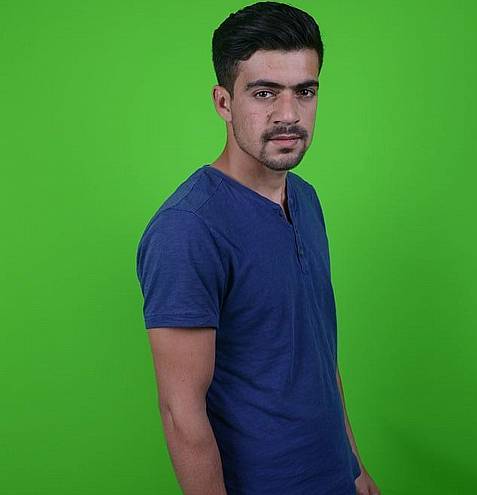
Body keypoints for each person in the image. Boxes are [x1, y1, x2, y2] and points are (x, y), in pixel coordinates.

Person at [136, 2, 381, 494]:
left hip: (335, 476)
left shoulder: (305, 199)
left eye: (304, 91)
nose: (288, 115)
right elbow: (181, 412)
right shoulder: (187, 229)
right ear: (223, 102)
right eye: (264, 92)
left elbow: (319, 354)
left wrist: (353, 466)